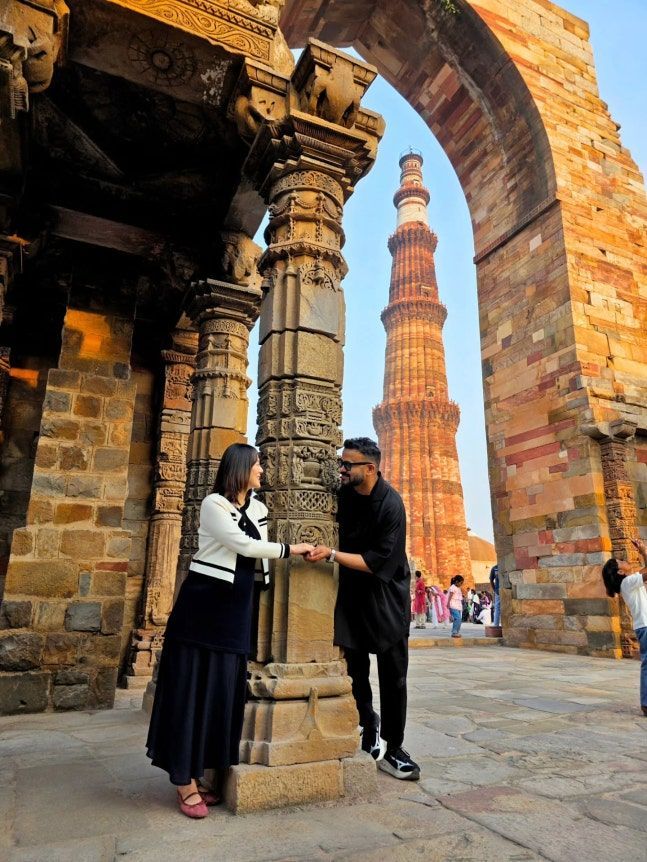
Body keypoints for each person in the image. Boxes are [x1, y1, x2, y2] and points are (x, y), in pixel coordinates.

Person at [146, 443, 314, 818]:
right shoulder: (214, 505)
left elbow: (257, 551)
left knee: (221, 690)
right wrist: (291, 549)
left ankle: (204, 770)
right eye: (257, 465)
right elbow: (244, 545)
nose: (262, 471)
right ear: (240, 468)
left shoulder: (259, 508)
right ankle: (182, 780)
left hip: (236, 609)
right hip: (203, 606)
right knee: (190, 689)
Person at [307, 437, 420, 781]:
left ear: (369, 469)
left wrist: (330, 555)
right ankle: (368, 724)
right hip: (352, 594)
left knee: (393, 674)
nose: (341, 470)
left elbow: (377, 563)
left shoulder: (390, 505)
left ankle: (394, 747)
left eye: (348, 465)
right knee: (355, 668)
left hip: (386, 596)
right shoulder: (344, 495)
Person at [601, 538, 647, 718]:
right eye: (620, 561)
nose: (624, 560)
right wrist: (643, 551)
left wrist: (643, 550)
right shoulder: (627, 583)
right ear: (619, 570)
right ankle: (645, 703)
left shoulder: (631, 582)